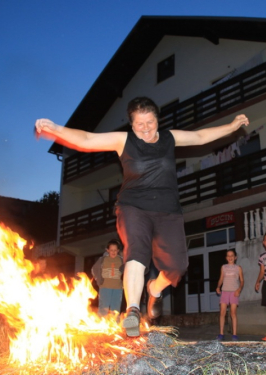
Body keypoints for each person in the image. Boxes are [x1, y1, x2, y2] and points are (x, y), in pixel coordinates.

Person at [35, 96, 249, 337]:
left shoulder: (169, 138)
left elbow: (199, 137)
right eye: (139, 124)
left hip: (168, 211)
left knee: (177, 268)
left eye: (150, 122)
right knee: (137, 252)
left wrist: (231, 127)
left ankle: (154, 290)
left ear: (157, 120)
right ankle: (133, 311)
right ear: (131, 125)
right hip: (133, 207)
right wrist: (56, 129)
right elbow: (87, 139)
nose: (146, 128)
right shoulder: (123, 141)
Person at [215, 249, 244, 341]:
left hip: (234, 292)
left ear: (235, 257)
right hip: (225, 291)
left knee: (233, 313)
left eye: (232, 255)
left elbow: (242, 281)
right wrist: (218, 287)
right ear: (226, 258)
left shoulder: (238, 268)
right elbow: (221, 279)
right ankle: (221, 333)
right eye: (228, 255)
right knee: (222, 312)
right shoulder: (223, 267)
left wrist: (239, 289)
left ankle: (234, 334)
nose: (230, 257)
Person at [91, 239, 124, 317]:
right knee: (103, 308)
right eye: (111, 250)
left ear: (118, 250)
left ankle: (115, 326)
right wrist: (98, 280)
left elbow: (126, 271)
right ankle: (101, 325)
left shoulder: (121, 260)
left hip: (118, 288)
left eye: (115, 250)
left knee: (115, 309)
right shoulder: (103, 259)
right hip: (105, 287)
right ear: (107, 250)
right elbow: (94, 269)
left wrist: (124, 284)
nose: (113, 252)